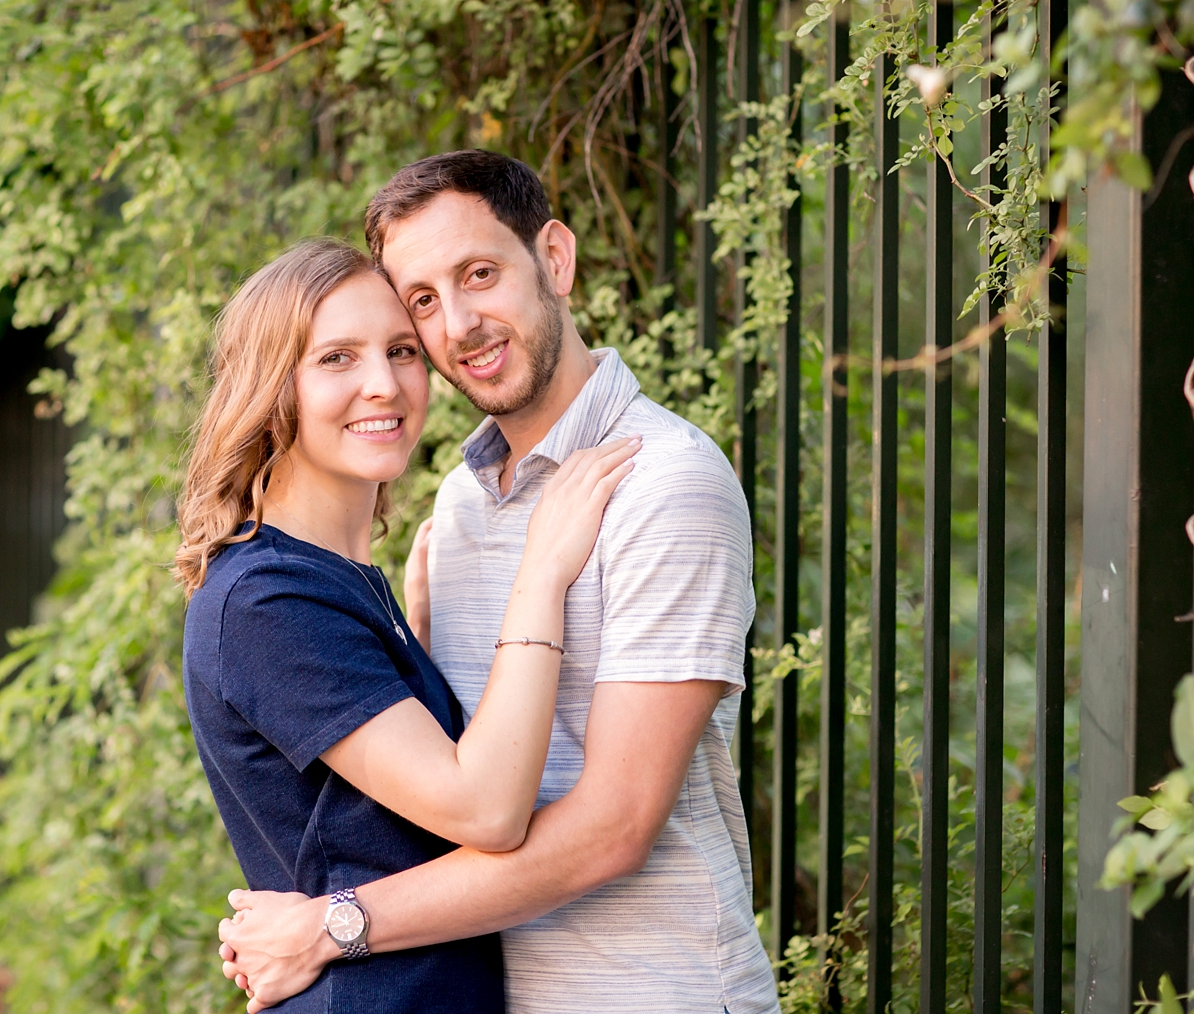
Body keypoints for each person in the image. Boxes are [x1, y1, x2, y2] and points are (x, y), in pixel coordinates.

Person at [219, 152, 780, 1013]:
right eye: (423, 302)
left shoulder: (665, 482)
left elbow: (618, 826)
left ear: (554, 259)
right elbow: (454, 779)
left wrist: (331, 925)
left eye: (479, 273)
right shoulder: (460, 508)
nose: (461, 324)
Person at [176, 237, 640, 1014]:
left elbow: (363, 821)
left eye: (400, 350)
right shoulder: (266, 600)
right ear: (272, 386)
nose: (382, 385)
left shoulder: (334, 582)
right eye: (336, 359)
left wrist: (411, 646)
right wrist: (541, 572)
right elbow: (486, 810)